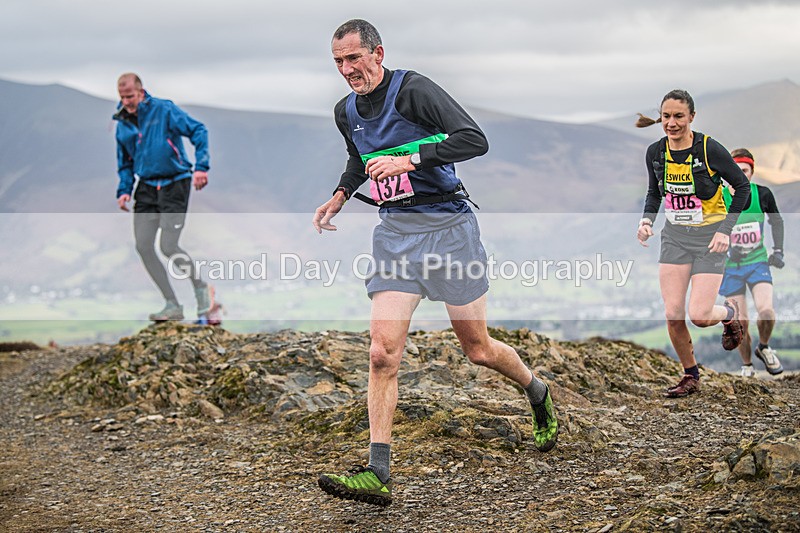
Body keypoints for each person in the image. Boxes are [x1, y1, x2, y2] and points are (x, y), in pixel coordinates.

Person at [312, 19, 558, 507]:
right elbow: (360, 159)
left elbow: (474, 139)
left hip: (449, 230)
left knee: (478, 349)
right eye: (338, 61)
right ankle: (378, 472)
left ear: (378, 53)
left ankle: (537, 391)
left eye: (354, 58)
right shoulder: (346, 111)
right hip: (396, 236)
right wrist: (341, 194)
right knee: (382, 353)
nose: (346, 69)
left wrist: (410, 161)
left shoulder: (414, 91)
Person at [636, 89, 750, 398]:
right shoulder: (656, 152)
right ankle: (691, 375)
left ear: (692, 117)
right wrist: (647, 221)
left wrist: (725, 230)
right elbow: (654, 192)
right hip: (675, 237)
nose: (671, 123)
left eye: (678, 116)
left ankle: (729, 313)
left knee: (699, 315)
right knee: (673, 313)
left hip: (710, 239)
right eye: (666, 117)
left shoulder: (709, 149)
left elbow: (742, 187)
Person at [114, 73, 217, 322]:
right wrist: (124, 190)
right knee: (143, 246)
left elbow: (198, 130)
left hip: (175, 183)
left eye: (130, 96)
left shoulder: (163, 110)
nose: (126, 102)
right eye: (122, 97)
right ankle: (172, 304)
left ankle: (201, 288)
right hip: (146, 187)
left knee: (168, 246)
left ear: (141, 93)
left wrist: (201, 167)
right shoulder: (122, 124)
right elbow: (125, 162)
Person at [719, 148, 785, 377]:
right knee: (740, 322)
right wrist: (728, 250)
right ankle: (747, 366)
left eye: (745, 170)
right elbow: (709, 229)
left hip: (758, 263)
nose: (740, 174)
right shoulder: (720, 198)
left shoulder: (762, 194)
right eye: (736, 170)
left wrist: (778, 251)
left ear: (752, 172)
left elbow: (777, 221)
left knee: (766, 312)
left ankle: (764, 347)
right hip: (730, 268)